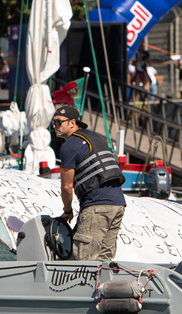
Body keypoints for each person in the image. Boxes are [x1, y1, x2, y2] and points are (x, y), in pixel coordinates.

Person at [52, 105, 126, 261]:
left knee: (83, 259)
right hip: (118, 204)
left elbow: (66, 186)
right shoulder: (95, 137)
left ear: (72, 123)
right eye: (53, 122)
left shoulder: (69, 146)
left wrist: (67, 210)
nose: (54, 126)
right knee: (103, 261)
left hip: (97, 206)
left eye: (59, 122)